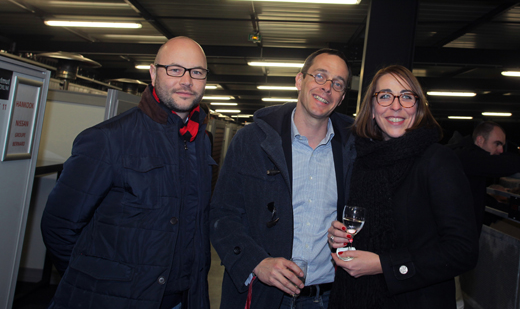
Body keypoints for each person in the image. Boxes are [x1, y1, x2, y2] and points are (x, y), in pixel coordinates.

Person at [41, 36, 215, 309]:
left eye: (197, 72)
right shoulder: (108, 139)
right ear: (152, 72)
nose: (186, 80)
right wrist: (94, 282)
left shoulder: (199, 142)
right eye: (175, 69)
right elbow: (58, 226)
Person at [210, 48, 356, 309]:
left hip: (326, 298)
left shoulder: (353, 151)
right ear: (299, 80)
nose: (327, 88)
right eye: (320, 76)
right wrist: (257, 262)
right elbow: (222, 214)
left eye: (337, 84)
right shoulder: (252, 141)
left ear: (342, 96)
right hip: (263, 294)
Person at [327, 65, 479, 308]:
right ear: (373, 109)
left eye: (406, 97)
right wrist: (340, 236)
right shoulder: (362, 162)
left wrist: (384, 265)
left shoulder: (437, 160)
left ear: (417, 108)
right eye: (385, 96)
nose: (395, 106)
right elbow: (363, 230)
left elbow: (463, 251)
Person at [448, 121, 520, 234]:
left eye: (502, 146)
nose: (501, 150)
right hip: (455, 236)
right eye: (497, 144)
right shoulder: (470, 158)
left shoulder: (460, 154)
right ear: (480, 140)